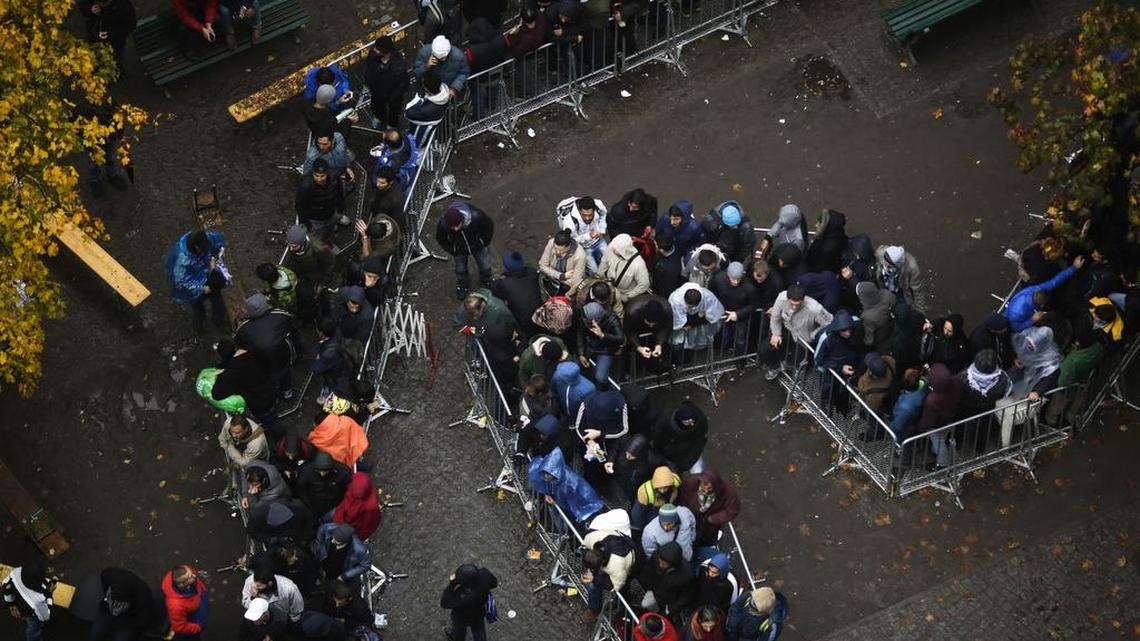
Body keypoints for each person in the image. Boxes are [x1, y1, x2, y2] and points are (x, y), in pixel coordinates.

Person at [235, 293, 300, 399]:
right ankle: (287, 391)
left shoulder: (243, 328)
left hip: (261, 362)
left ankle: (273, 394)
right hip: (282, 355)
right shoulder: (280, 315)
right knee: (285, 372)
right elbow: (292, 327)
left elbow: (240, 343)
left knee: (267, 377)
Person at [762, 284, 834, 379]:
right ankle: (775, 367)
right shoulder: (781, 298)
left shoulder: (814, 309)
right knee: (764, 349)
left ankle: (797, 383)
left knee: (799, 366)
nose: (794, 307)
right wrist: (776, 334)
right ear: (787, 299)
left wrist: (813, 335)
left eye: (797, 304)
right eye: (792, 304)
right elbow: (775, 317)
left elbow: (829, 322)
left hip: (803, 340)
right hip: (788, 331)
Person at [165, 229, 228, 331]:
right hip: (193, 286)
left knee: (218, 301)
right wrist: (201, 288)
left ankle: (219, 321)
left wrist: (213, 259)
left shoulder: (208, 239)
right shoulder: (180, 260)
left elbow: (217, 246)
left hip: (208, 275)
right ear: (196, 247)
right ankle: (198, 327)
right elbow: (180, 281)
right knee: (198, 309)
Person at [1003, 256, 1083, 333]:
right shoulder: (1017, 313)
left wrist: (1073, 268)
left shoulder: (1036, 289)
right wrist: (1032, 320)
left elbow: (1055, 281)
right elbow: (1015, 328)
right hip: (1009, 324)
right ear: (1041, 305)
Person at [581, 514, 637, 623]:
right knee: (594, 584)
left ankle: (623, 604)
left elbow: (616, 585)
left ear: (601, 563)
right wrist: (588, 571)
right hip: (617, 549)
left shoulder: (617, 565)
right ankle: (595, 609)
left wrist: (595, 579)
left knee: (621, 585)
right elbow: (584, 547)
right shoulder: (593, 538)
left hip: (632, 560)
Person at [528, 447, 605, 525]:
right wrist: (547, 494)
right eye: (545, 473)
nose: (546, 477)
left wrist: (579, 516)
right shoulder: (558, 475)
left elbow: (573, 504)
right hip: (572, 501)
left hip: (585, 504)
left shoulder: (569, 482)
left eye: (548, 474)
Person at [211, 342, 278, 429]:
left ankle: (278, 432)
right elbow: (268, 365)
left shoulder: (228, 374)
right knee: (272, 413)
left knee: (271, 423)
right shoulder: (253, 355)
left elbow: (216, 394)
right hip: (271, 391)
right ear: (235, 349)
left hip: (260, 405)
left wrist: (220, 373)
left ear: (221, 357)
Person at [437, 203, 495, 300]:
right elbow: (440, 238)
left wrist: (483, 242)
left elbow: (489, 226)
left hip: (477, 245)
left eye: (457, 225)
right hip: (460, 249)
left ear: (462, 219)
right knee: (460, 269)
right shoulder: (444, 224)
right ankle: (463, 284)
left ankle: (486, 280)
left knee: (485, 265)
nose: (455, 229)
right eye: (452, 227)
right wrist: (453, 250)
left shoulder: (476, 216)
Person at [88, 567, 159, 641]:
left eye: (120, 605)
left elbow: (142, 621)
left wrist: (121, 622)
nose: (115, 609)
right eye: (113, 602)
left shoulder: (146, 600)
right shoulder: (109, 575)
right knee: (95, 634)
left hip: (130, 619)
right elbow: (104, 578)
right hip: (108, 609)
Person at [679, 469, 740, 548]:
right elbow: (681, 496)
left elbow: (733, 510)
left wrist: (713, 519)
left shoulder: (728, 492)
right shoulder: (691, 482)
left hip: (709, 527)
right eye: (704, 487)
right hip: (689, 520)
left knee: (706, 543)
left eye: (710, 489)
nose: (706, 491)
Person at [921, 363, 965, 468]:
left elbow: (927, 419)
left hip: (937, 423)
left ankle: (942, 464)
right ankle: (936, 451)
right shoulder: (957, 381)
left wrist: (921, 427)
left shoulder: (932, 400)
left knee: (939, 442)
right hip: (952, 415)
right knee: (943, 437)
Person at [491, 251, 544, 335]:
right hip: (541, 315)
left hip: (523, 321)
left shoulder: (505, 284)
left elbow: (495, 292)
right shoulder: (532, 272)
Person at [709, 261, 758, 352]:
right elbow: (712, 294)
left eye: (738, 279)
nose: (735, 282)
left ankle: (740, 361)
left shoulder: (749, 287)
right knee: (722, 336)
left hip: (740, 315)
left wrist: (738, 314)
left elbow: (754, 304)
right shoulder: (718, 279)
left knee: (740, 340)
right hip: (722, 313)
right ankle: (720, 352)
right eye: (733, 279)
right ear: (727, 275)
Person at [440, 565, 497, 641]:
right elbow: (494, 584)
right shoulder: (485, 574)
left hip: (462, 617)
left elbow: (445, 603)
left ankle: (456, 638)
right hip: (479, 612)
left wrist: (451, 585)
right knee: (479, 629)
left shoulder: (463, 596)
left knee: (459, 630)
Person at [365, 36, 410, 129]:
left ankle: (392, 124)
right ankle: (379, 117)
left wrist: (393, 97)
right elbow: (369, 69)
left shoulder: (398, 66)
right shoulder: (373, 55)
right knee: (377, 106)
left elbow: (403, 84)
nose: (374, 50)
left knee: (394, 110)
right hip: (377, 91)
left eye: (377, 49)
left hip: (392, 94)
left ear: (385, 51)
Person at [652, 400, 708, 474]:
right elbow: (657, 436)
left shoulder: (700, 425)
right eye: (687, 422)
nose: (691, 424)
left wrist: (680, 468)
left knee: (698, 473)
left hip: (683, 456)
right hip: (664, 452)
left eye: (692, 422)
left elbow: (697, 449)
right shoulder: (665, 419)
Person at [639, 541, 693, 616]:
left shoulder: (686, 574)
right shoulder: (656, 556)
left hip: (670, 601)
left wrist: (672, 608)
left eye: (664, 564)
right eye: (659, 561)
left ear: (673, 563)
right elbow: (647, 572)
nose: (660, 565)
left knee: (666, 614)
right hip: (654, 592)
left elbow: (686, 595)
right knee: (646, 604)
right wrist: (649, 587)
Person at [3, 563, 55, 641]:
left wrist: (11, 604)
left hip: (20, 606)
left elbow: (6, 586)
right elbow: (45, 617)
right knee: (33, 630)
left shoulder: (17, 571)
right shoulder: (38, 599)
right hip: (32, 614)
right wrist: (50, 593)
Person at [1010, 325, 1063, 400]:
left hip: (1037, 380)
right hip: (1023, 373)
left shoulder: (1051, 356)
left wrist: (1038, 391)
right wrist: (1018, 359)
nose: (1029, 347)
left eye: (1032, 347)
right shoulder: (1027, 336)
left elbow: (1051, 376)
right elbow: (1020, 348)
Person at [296, 158, 346, 237]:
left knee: (332, 223)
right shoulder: (305, 186)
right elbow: (300, 206)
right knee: (317, 235)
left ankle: (331, 229)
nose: (319, 179)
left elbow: (340, 192)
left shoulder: (334, 177)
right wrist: (306, 224)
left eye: (322, 176)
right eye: (316, 175)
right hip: (315, 219)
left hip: (331, 211)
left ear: (327, 173)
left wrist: (340, 208)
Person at [669, 283, 726, 352]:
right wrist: (699, 316)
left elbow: (715, 313)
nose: (691, 308)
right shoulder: (676, 301)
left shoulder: (706, 297)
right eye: (689, 306)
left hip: (694, 328)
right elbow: (678, 322)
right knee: (677, 345)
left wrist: (692, 322)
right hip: (681, 332)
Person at [559, 196, 608, 274]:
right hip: (584, 247)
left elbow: (603, 216)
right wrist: (589, 236)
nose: (588, 218)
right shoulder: (569, 222)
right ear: (579, 210)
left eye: (590, 215)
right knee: (594, 271)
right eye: (584, 215)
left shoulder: (599, 205)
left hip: (598, 241)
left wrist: (601, 230)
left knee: (608, 261)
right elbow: (572, 240)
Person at [577, 302, 624, 384]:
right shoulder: (585, 316)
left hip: (605, 349)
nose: (584, 319)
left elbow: (620, 338)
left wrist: (602, 335)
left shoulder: (612, 319)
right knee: (576, 368)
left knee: (600, 378)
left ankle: (604, 391)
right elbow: (580, 333)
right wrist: (581, 353)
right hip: (589, 345)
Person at [79, 0, 137, 65]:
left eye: (105, 4)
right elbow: (82, 5)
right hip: (93, 37)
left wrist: (111, 33)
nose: (102, 6)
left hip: (115, 45)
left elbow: (131, 24)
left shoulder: (123, 5)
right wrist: (91, 9)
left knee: (114, 65)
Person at [297, 450, 352, 518]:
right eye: (319, 471)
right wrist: (308, 506)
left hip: (334, 508)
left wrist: (340, 506)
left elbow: (348, 490)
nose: (322, 474)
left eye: (325, 471)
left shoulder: (343, 472)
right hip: (313, 507)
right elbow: (302, 489)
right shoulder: (306, 471)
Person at [597, 234, 651, 302]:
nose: (612, 249)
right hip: (609, 287)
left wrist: (627, 297)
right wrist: (599, 279)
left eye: (616, 250)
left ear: (623, 251)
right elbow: (604, 262)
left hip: (623, 293)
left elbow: (644, 284)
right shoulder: (612, 247)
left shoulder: (638, 264)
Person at [958, 348, 1011, 418]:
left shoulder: (964, 378)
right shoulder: (1002, 379)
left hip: (966, 415)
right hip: (988, 415)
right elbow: (1003, 394)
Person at [161, 565, 209, 641]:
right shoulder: (175, 606)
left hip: (199, 603)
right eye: (190, 577)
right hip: (193, 617)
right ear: (182, 584)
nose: (194, 575)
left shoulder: (187, 572)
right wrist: (198, 627)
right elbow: (180, 627)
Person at [333, 471, 383, 542]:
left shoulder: (371, 508)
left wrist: (355, 538)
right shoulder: (357, 489)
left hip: (348, 526)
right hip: (342, 520)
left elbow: (366, 527)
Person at [246, 498, 316, 545]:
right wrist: (271, 540)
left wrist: (304, 541)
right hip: (276, 539)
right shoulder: (258, 515)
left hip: (299, 536)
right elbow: (251, 531)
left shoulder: (298, 508)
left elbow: (311, 523)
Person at [539, 230, 587, 296]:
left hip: (567, 288)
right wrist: (562, 276)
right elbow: (542, 265)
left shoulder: (580, 255)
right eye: (556, 249)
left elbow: (576, 282)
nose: (558, 252)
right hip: (555, 281)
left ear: (569, 246)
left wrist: (549, 270)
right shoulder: (551, 243)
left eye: (561, 250)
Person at [633, 465, 681, 531]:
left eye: (666, 487)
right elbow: (637, 514)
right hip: (653, 507)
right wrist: (643, 528)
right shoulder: (645, 492)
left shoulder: (675, 481)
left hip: (666, 504)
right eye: (660, 488)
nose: (663, 491)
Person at [887, 368, 927, 442]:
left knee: (902, 442)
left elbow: (897, 426)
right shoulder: (924, 383)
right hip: (914, 419)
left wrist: (890, 426)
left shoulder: (905, 407)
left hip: (905, 429)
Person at [855, 281, 896, 349]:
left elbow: (869, 341)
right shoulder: (888, 294)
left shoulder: (868, 318)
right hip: (893, 328)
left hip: (882, 341)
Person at [804, 209, 848, 273]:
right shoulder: (837, 231)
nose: (816, 225)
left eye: (819, 224)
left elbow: (820, 267)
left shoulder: (827, 249)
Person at [856, 351, 897, 416]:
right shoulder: (890, 362)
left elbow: (871, 407)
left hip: (877, 406)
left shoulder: (866, 387)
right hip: (891, 394)